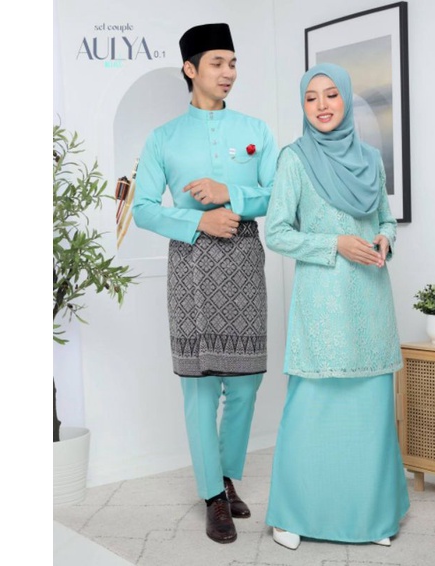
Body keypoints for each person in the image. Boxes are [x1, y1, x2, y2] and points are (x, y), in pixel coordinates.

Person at [132, 23, 278, 544]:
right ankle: (213, 495)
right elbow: (142, 208)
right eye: (217, 63)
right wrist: (198, 220)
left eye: (232, 63)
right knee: (200, 385)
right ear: (190, 69)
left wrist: (229, 193)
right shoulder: (163, 138)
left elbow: (278, 194)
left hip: (243, 261)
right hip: (193, 265)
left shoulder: (257, 130)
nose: (228, 72)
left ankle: (227, 475)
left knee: (246, 382)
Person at [264, 62, 409, 550]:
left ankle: (373, 517)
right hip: (322, 306)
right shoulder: (294, 159)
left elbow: (385, 219)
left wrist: (385, 240)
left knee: (369, 416)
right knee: (311, 414)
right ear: (302, 105)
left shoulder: (370, 159)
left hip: (369, 298)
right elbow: (277, 232)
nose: (322, 105)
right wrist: (335, 244)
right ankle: (291, 515)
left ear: (346, 99)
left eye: (331, 95)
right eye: (311, 97)